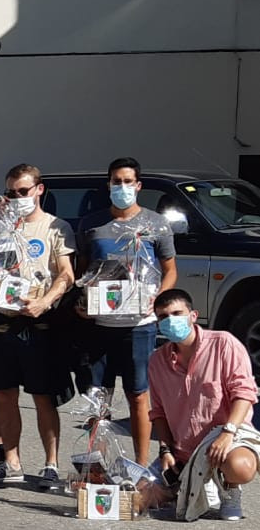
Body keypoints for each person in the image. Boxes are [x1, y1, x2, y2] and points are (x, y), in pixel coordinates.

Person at [0, 163, 76, 488]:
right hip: (2, 320)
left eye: (23, 191)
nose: (16, 197)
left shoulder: (56, 227)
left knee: (42, 396)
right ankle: (12, 463)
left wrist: (44, 302)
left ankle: (50, 466)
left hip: (38, 322)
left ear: (39, 190)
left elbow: (66, 274)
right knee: (3, 394)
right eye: (11, 192)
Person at [76, 157, 178, 467]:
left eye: (127, 182)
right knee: (98, 398)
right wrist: (82, 302)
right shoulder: (91, 224)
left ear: (138, 185)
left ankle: (140, 465)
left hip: (139, 324)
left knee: (138, 396)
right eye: (116, 182)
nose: (122, 187)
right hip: (99, 323)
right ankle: (97, 466)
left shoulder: (155, 223)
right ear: (108, 185)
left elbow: (170, 270)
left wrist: (157, 301)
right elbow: (83, 272)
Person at [148, 289, 259, 521]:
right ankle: (194, 483)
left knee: (240, 467)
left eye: (177, 313)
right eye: (163, 317)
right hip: (184, 449)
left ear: (193, 315)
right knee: (140, 497)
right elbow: (158, 412)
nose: (170, 321)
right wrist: (165, 450)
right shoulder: (157, 360)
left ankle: (229, 487)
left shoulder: (224, 344)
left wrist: (228, 432)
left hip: (228, 436)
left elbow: (245, 393)